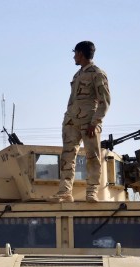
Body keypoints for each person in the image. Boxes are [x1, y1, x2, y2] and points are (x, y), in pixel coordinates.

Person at [49, 41, 111, 203]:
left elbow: (105, 102)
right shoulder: (77, 75)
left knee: (93, 157)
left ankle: (91, 192)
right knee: (67, 157)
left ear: (81, 54)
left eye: (75, 53)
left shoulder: (97, 74)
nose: (74, 57)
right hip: (71, 122)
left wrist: (95, 122)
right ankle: (64, 192)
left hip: (88, 122)